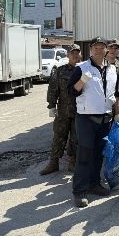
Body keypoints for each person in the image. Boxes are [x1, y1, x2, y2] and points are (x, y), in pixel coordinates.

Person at [67, 37, 118, 208]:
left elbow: (114, 93)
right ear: (90, 50)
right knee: (84, 156)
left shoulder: (112, 69)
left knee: (98, 154)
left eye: (101, 47)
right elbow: (71, 91)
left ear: (106, 50)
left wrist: (117, 113)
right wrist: (82, 81)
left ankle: (94, 184)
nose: (98, 50)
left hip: (105, 118)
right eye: (95, 47)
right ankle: (79, 191)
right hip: (86, 119)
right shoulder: (81, 68)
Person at [41, 44, 82, 175]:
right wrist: (52, 105)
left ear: (80, 55)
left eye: (77, 53)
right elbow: (53, 88)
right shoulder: (60, 71)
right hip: (63, 111)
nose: (75, 55)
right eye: (72, 53)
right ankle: (53, 162)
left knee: (76, 138)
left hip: (80, 111)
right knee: (59, 136)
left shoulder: (84, 70)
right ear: (67, 55)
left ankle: (72, 162)